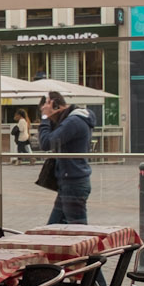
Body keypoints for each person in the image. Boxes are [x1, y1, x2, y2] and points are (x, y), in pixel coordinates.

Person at [39, 91, 96, 225]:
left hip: (73, 184)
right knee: (53, 229)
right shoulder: (73, 120)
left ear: (55, 106)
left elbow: (47, 142)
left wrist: (45, 117)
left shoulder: (73, 122)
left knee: (79, 231)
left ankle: (90, 246)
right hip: (70, 182)